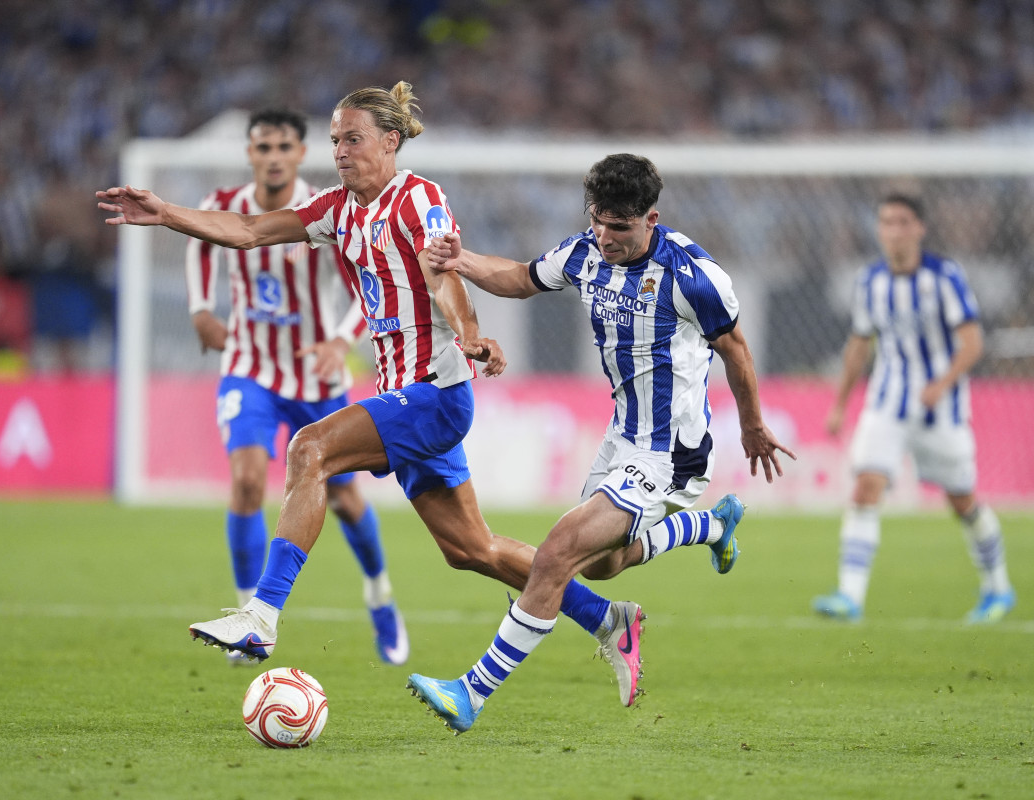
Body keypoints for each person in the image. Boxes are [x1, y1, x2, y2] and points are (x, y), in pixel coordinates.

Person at [98, 83, 641, 693]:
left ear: (390, 141)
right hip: (407, 396)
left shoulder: (418, 199)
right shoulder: (337, 210)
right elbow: (249, 229)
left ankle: (262, 614)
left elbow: (443, 273)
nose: (340, 151)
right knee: (472, 550)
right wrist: (166, 214)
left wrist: (470, 333)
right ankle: (609, 619)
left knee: (310, 448)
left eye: (352, 139)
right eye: (335, 141)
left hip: (434, 395)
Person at [405, 153, 797, 734]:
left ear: (650, 219)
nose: (606, 237)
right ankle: (712, 527)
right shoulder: (584, 253)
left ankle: (471, 692)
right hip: (621, 438)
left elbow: (735, 350)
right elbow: (521, 279)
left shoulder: (693, 276)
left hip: (669, 452)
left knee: (557, 552)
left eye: (620, 226)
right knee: (603, 566)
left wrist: (752, 425)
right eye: (598, 221)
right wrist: (461, 259)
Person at [184, 108, 407, 665]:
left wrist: (340, 341)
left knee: (346, 498)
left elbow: (369, 280)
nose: (274, 157)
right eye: (263, 147)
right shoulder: (224, 204)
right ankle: (247, 618)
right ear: (250, 153)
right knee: (246, 483)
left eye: (284, 146)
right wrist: (201, 308)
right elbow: (200, 244)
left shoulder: (326, 207)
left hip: (315, 373)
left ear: (302, 153)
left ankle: (380, 594)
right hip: (250, 367)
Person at [813, 193, 1015, 624]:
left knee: (962, 500)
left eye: (903, 222)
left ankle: (998, 588)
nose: (894, 231)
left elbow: (972, 342)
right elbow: (859, 345)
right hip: (886, 404)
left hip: (941, 410)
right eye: (887, 222)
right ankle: (849, 596)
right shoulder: (870, 281)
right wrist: (840, 404)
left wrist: (941, 384)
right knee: (866, 485)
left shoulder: (944, 277)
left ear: (919, 228)